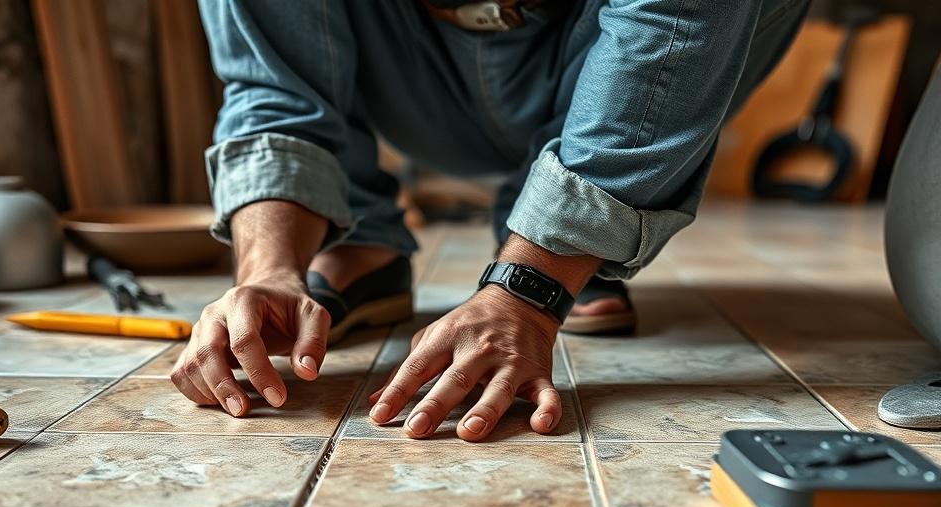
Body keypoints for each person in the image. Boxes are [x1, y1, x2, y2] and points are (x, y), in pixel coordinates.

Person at [175, 0, 809, 441]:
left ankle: (550, 239)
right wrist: (270, 269)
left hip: (594, 51)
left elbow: (669, 27)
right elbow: (274, 83)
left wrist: (526, 295)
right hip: (408, 63)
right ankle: (360, 241)